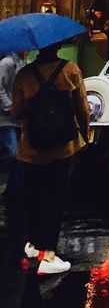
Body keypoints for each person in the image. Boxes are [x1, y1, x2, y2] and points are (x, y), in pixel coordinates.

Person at [10, 41, 90, 277]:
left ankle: (34, 245)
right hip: (63, 147)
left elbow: (16, 112)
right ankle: (50, 255)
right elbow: (82, 108)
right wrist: (84, 135)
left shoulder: (24, 75)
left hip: (31, 148)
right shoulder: (70, 70)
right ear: (58, 46)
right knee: (54, 198)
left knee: (33, 196)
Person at [0, 50, 27, 172]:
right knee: (13, 152)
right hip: (6, 118)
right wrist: (9, 106)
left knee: (17, 153)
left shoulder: (22, 63)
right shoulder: (7, 63)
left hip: (18, 117)